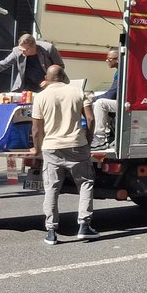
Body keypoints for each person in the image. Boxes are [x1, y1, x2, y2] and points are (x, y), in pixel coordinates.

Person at [30, 65, 97, 245]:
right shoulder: (78, 92)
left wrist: (37, 149)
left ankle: (51, 231)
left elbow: (36, 129)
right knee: (85, 183)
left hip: (51, 147)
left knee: (52, 188)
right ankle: (84, 226)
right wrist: (88, 140)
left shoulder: (40, 97)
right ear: (64, 76)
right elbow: (90, 119)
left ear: (47, 77)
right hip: (77, 145)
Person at [0, 33, 64, 93]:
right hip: (27, 87)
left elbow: (60, 67)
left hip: (49, 86)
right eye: (20, 49)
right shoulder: (17, 51)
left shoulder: (48, 49)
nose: (22, 53)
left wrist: (49, 81)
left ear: (33, 46)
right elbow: (4, 63)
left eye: (24, 50)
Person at [90, 47, 119, 149]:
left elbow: (111, 94)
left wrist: (93, 98)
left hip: (127, 104)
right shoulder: (119, 71)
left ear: (118, 59)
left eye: (109, 59)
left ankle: (100, 138)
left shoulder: (122, 72)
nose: (107, 60)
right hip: (123, 102)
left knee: (101, 103)